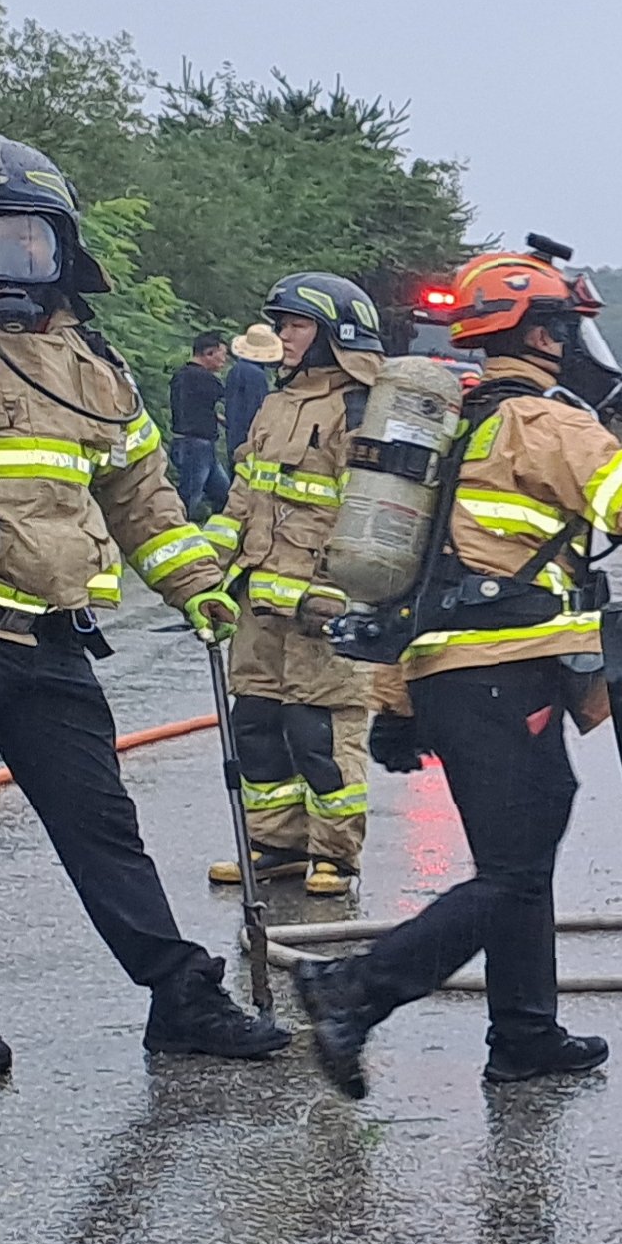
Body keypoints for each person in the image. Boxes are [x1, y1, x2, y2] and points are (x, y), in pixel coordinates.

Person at [289, 246, 622, 1094]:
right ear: (542, 335)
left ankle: (525, 1035)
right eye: (567, 330)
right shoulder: (543, 424)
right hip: (503, 675)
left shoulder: (456, 424)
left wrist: (396, 702)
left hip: (451, 676)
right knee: (514, 868)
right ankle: (354, 989)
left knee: (519, 861)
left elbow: (410, 576)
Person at [0, 133, 288, 1075]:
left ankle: (180, 998)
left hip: (52, 637)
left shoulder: (88, 358)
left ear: (61, 245)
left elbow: (141, 491)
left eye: (26, 238)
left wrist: (196, 584)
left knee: (103, 825)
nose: (8, 257)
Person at [206, 272, 387, 897]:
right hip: (258, 600)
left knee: (319, 731)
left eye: (297, 325)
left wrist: (340, 593)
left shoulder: (361, 408)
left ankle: (335, 854)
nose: (283, 335)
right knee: (257, 723)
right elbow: (244, 494)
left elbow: (369, 515)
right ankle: (275, 845)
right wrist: (207, 573)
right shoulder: (278, 403)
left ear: (336, 335)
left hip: (322, 604)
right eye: (281, 324)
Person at [167, 333, 232, 520]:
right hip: (197, 446)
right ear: (209, 353)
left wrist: (216, 418)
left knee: (224, 494)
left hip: (184, 442)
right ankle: (174, 528)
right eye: (222, 354)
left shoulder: (181, 375)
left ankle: (214, 530)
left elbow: (195, 407)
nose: (225, 360)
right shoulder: (206, 379)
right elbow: (229, 398)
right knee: (189, 498)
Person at [220, 323, 278, 483]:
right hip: (248, 438)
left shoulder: (235, 370)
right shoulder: (256, 375)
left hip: (233, 434)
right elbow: (258, 410)